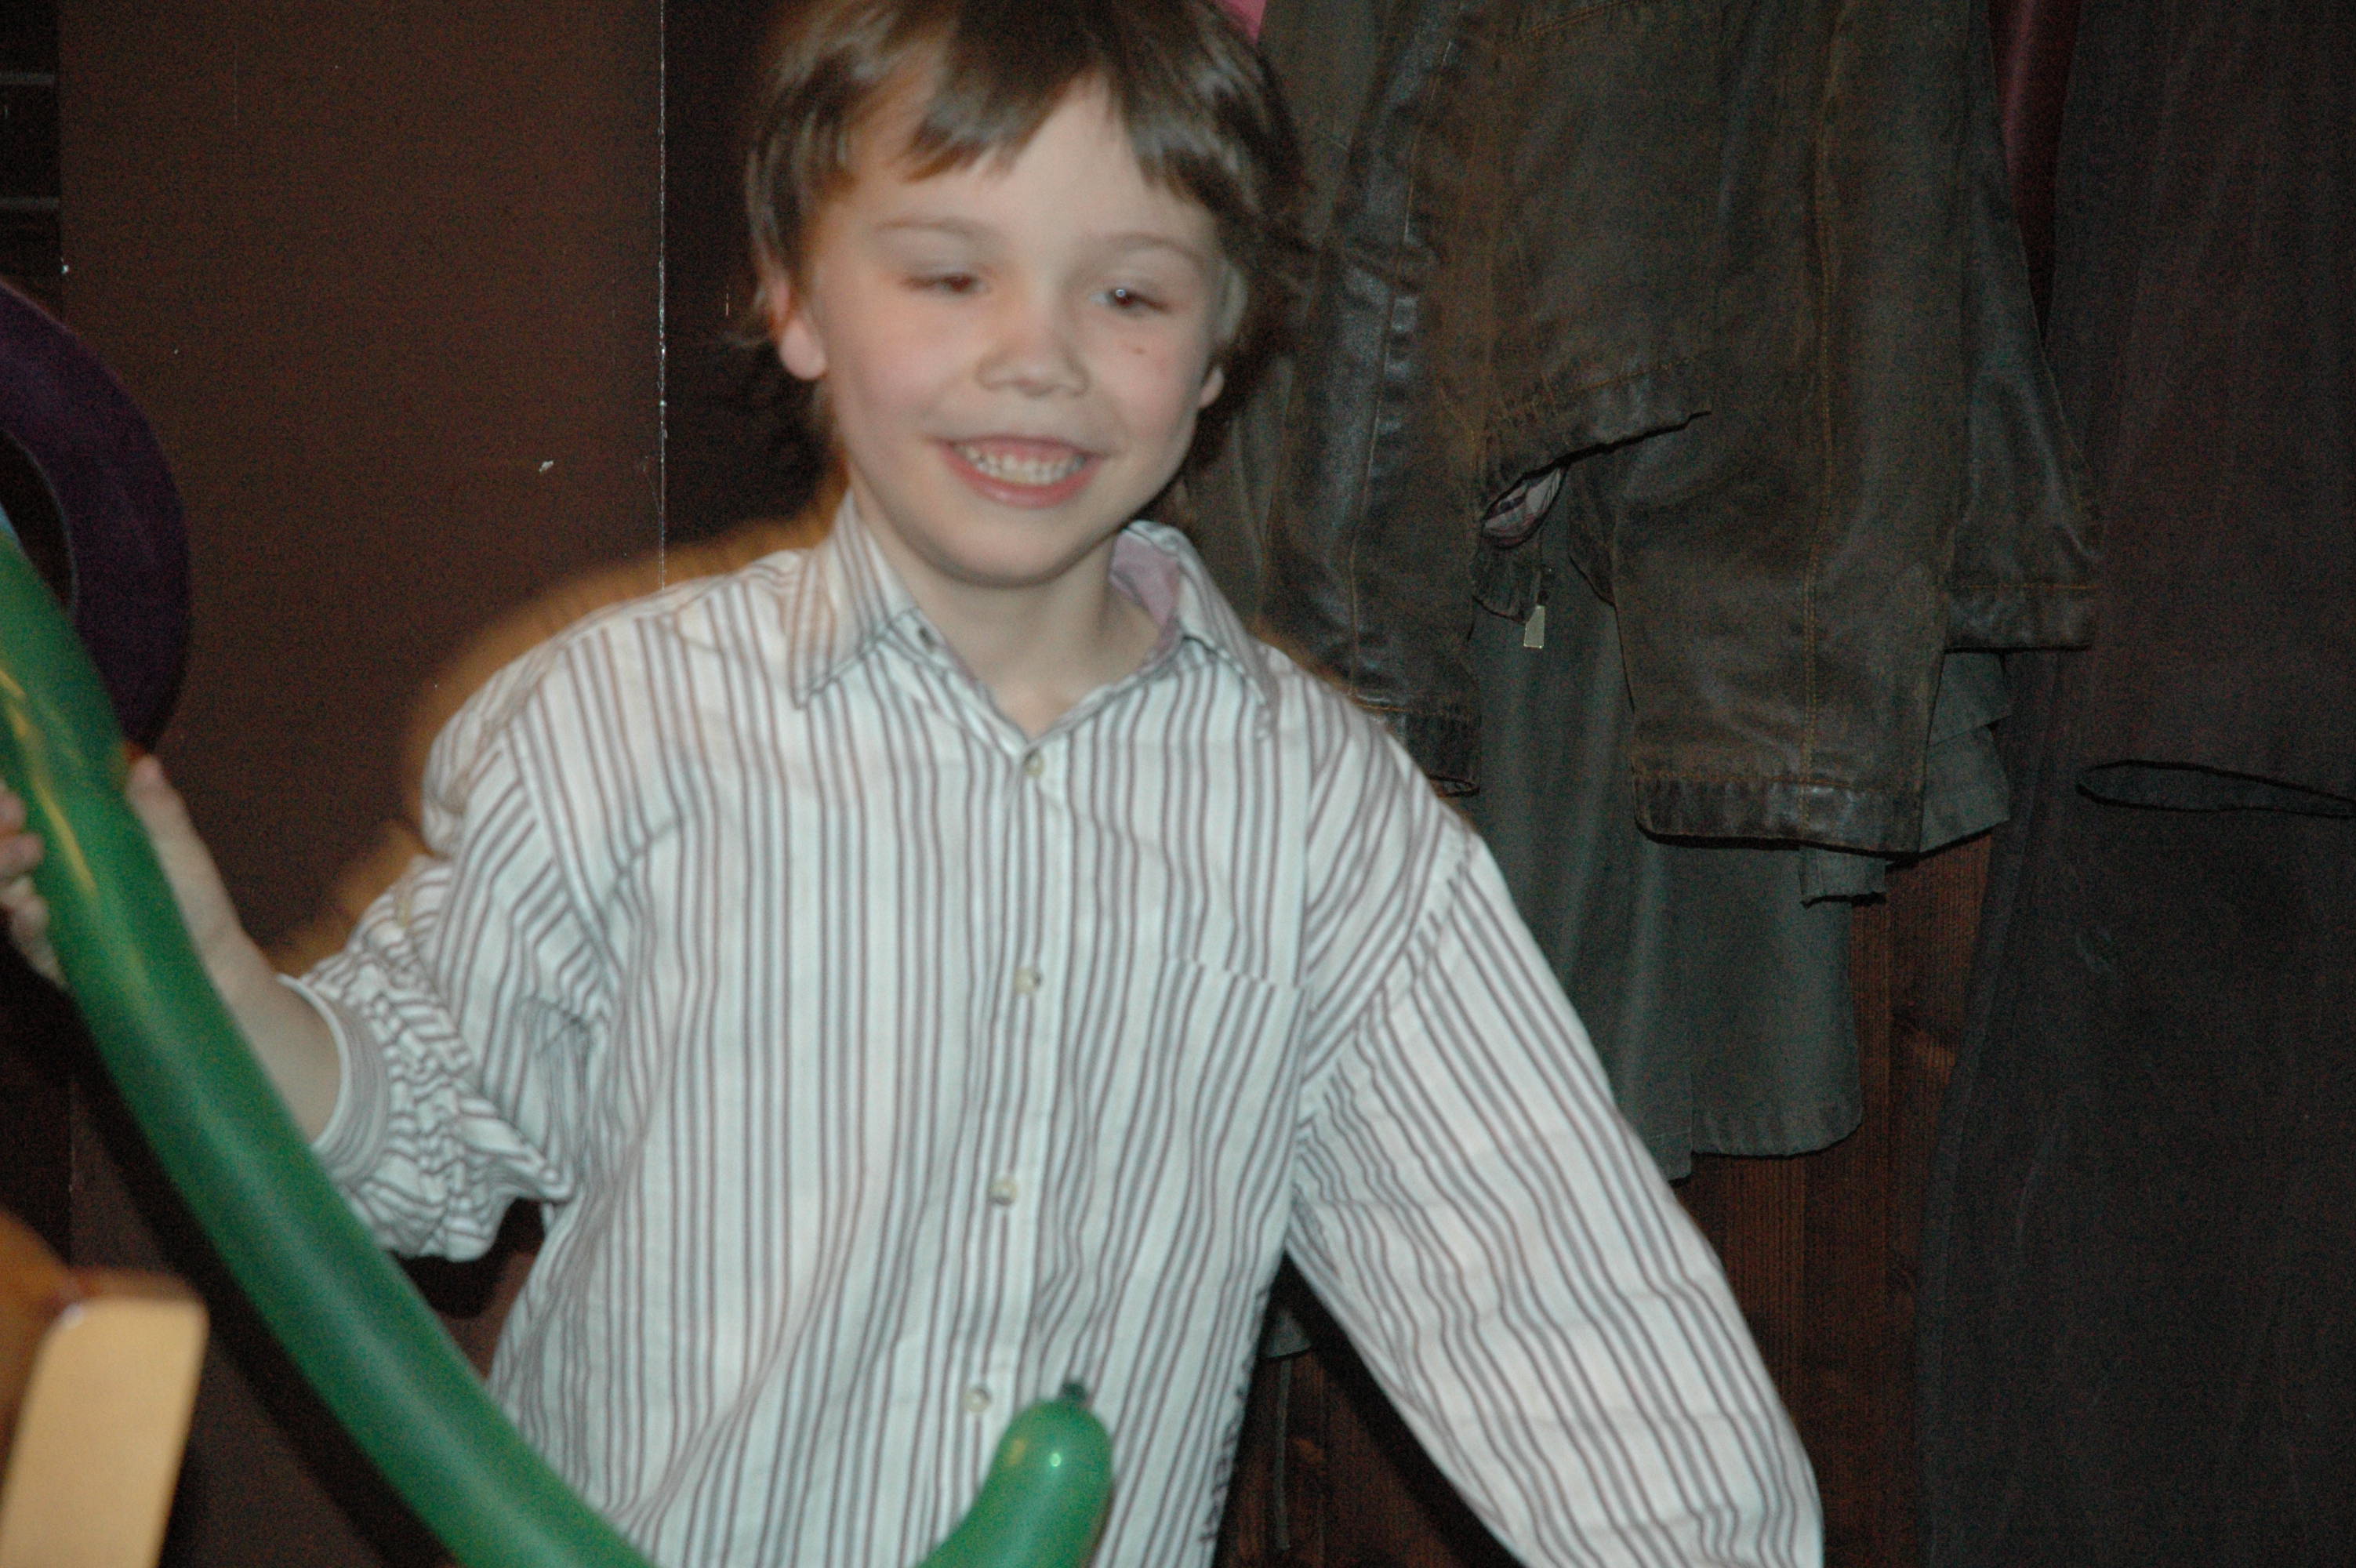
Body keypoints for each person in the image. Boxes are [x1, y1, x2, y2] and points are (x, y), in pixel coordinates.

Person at [0, 0, 1822, 1563]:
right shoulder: (622, 725)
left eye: (1129, 291)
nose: (1035, 355)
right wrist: (201, 974)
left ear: (1220, 349)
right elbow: (409, 1133)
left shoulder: (1321, 824)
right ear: (796, 294)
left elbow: (1541, 1287)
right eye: (948, 273)